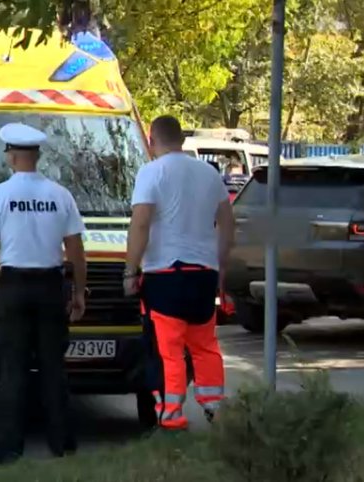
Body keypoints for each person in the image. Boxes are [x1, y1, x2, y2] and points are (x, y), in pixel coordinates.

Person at [0, 123, 87, 468]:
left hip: (14, 287)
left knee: (12, 370)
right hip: (51, 286)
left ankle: (7, 450)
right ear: (36, 156)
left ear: (11, 156)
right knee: (54, 367)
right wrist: (79, 291)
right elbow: (76, 248)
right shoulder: (60, 194)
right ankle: (62, 445)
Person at [122, 115, 234, 431]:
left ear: (151, 140)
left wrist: (131, 270)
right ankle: (215, 408)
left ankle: (171, 414)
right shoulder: (209, 174)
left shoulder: (151, 172)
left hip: (164, 275)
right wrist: (220, 267)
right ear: (182, 140)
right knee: (205, 344)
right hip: (203, 273)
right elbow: (227, 224)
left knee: (166, 348)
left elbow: (141, 223)